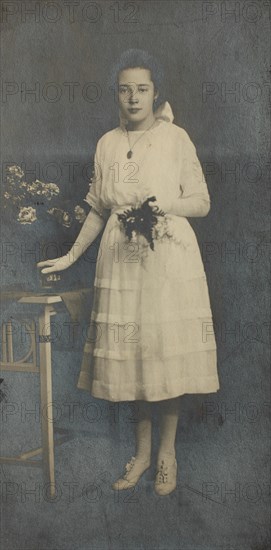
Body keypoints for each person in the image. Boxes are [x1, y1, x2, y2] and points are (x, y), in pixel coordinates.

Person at [37, 49, 220, 496]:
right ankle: (140, 455)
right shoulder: (107, 143)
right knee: (133, 358)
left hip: (167, 260)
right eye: (125, 89)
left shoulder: (176, 139)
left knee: (163, 354)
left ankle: (166, 456)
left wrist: (162, 205)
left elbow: (201, 201)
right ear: (116, 94)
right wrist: (70, 257)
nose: (133, 98)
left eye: (142, 89)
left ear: (156, 92)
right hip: (121, 262)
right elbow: (99, 209)